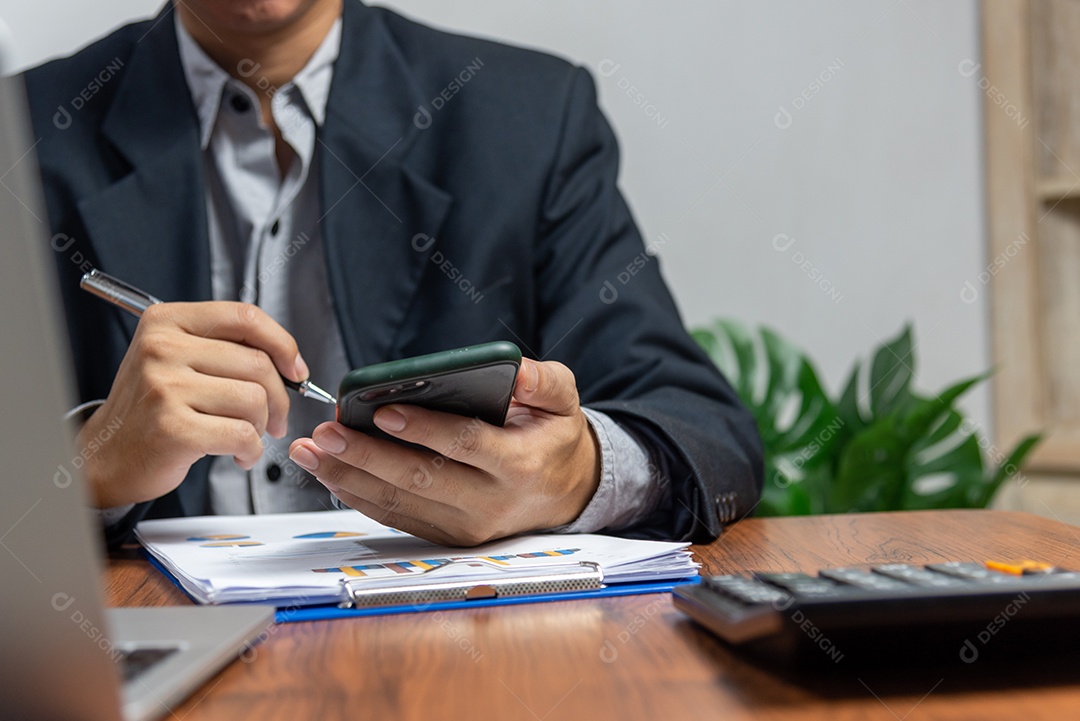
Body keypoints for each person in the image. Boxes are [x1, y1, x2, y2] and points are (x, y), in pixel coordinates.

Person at [24, 0, 762, 549]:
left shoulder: (529, 118)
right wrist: (82, 471)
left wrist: (574, 473)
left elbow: (705, 429)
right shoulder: (24, 131)